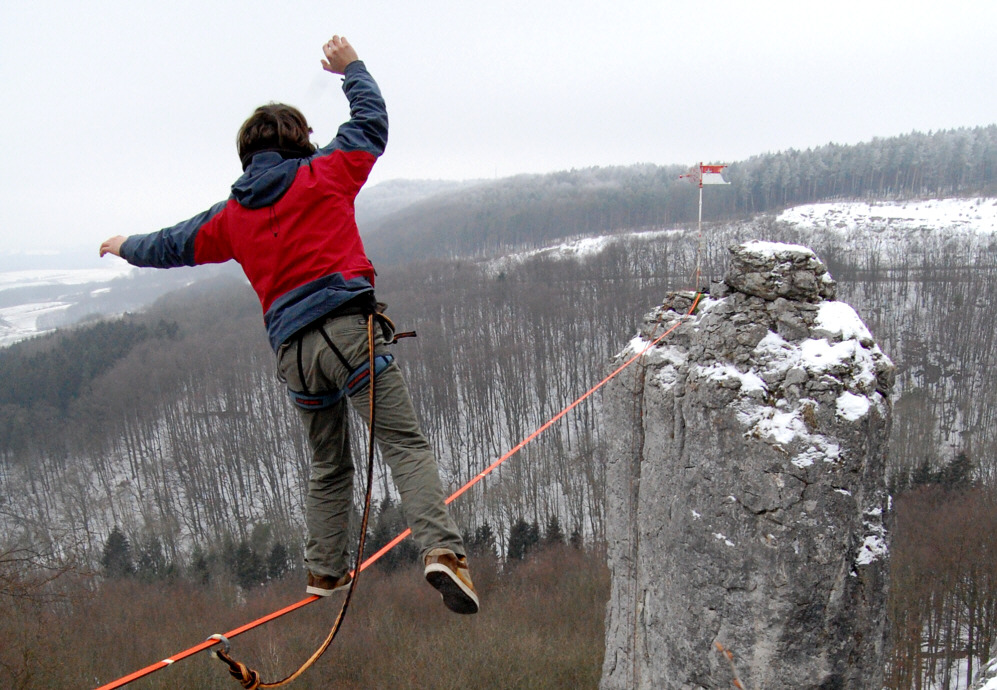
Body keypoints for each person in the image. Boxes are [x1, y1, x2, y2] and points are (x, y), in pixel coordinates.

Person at [100, 35, 478, 615]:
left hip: (295, 357)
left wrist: (125, 245)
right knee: (401, 443)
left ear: (246, 158)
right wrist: (351, 68)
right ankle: (442, 554)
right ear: (301, 141)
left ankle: (324, 572)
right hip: (349, 332)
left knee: (329, 465)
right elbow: (370, 124)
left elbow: (170, 244)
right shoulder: (324, 173)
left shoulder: (231, 217)